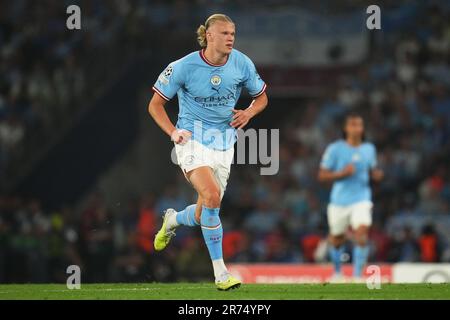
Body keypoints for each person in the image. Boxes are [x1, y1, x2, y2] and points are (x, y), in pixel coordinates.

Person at [148, 14, 268, 290]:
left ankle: (173, 219)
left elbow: (262, 97)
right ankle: (222, 275)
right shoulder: (182, 67)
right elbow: (155, 105)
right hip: (191, 139)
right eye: (225, 33)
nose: (230, 38)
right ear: (209, 35)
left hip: (224, 144)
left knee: (205, 212)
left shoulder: (242, 63)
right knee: (212, 196)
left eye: (233, 34)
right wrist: (173, 132)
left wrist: (248, 112)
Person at [318, 112, 383, 281]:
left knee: (361, 233)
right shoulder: (335, 149)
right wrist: (341, 174)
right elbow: (322, 175)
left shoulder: (369, 149)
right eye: (353, 125)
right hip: (339, 201)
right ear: (346, 128)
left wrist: (377, 175)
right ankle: (338, 273)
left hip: (362, 199)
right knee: (336, 239)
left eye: (359, 125)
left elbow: (373, 170)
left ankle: (357, 276)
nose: (356, 128)